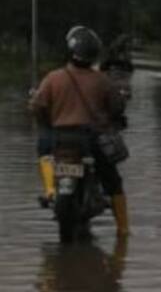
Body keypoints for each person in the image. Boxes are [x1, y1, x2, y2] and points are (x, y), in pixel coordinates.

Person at [29, 26, 129, 238]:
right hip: (92, 143)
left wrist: (47, 121)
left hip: (61, 141)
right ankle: (123, 232)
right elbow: (117, 107)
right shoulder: (103, 81)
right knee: (113, 182)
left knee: (44, 153)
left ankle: (49, 190)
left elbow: (37, 107)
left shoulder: (53, 78)